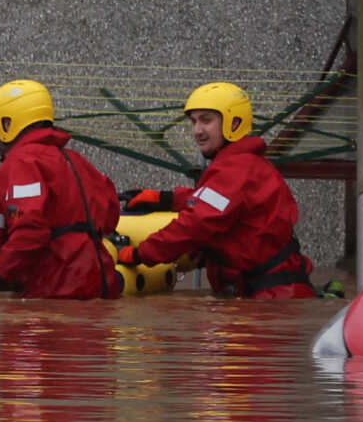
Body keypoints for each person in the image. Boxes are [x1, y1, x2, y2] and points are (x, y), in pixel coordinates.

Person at [117, 82, 315, 298]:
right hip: (273, 297)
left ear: (235, 122)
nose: (197, 131)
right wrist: (164, 199)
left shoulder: (236, 169)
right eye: (193, 122)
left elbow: (196, 223)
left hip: (270, 300)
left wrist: (140, 253)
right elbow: (212, 203)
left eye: (206, 120)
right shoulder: (245, 165)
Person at [0, 79, 123, 300]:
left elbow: (31, 229)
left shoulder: (22, 163)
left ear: (9, 123)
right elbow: (110, 216)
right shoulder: (77, 161)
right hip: (98, 282)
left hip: (57, 285)